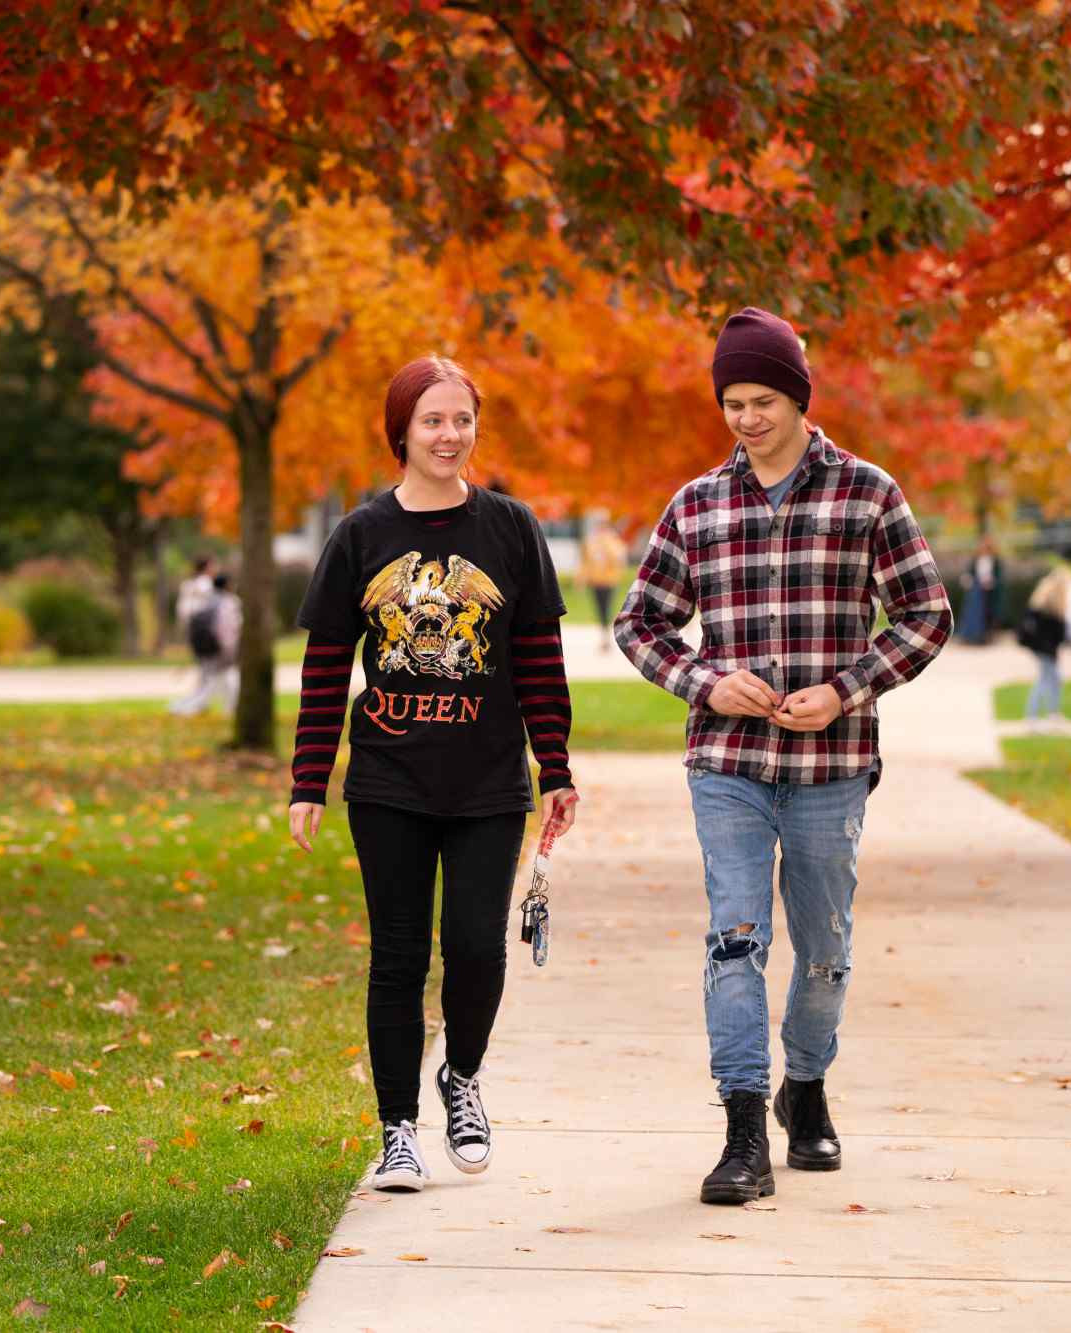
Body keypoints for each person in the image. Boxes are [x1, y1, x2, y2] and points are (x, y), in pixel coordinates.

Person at [614, 307, 952, 1205]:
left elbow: (926, 616)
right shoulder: (697, 504)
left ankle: (804, 1085)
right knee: (736, 939)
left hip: (828, 769)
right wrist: (702, 681)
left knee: (824, 947)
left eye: (763, 399)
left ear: (800, 397)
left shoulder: (868, 494)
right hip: (725, 762)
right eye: (732, 401)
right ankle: (740, 1129)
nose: (747, 417)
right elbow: (638, 622)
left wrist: (846, 689)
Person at [288, 355, 578, 1195]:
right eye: (433, 422)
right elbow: (324, 667)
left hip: (488, 781)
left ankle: (462, 1079)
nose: (450, 435)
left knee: (479, 952)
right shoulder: (360, 536)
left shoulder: (510, 529)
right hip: (388, 783)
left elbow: (536, 661)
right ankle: (397, 1130)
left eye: (462, 420)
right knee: (399, 957)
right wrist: (311, 778)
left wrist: (554, 766)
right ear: (402, 434)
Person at [169, 572, 242, 716]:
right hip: (219, 649)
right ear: (228, 585)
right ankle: (182, 709)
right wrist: (229, 650)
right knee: (216, 683)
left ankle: (228, 710)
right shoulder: (229, 602)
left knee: (212, 683)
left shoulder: (206, 601)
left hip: (204, 648)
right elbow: (227, 628)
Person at [1019, 559, 1071, 730]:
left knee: (1054, 679)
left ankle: (1052, 713)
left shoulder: (1042, 602)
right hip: (1045, 650)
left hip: (1042, 649)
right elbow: (1056, 635)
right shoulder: (1052, 607)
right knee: (1044, 681)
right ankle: (1032, 717)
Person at [579, 511, 631, 652]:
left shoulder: (613, 540)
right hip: (595, 581)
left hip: (609, 581)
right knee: (599, 609)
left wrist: (605, 543)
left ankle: (607, 637)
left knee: (607, 608)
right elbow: (586, 561)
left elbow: (618, 558)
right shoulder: (591, 541)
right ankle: (604, 635)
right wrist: (582, 578)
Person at [957, 537, 998, 643]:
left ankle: (982, 636)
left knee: (984, 614)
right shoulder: (976, 560)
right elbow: (970, 573)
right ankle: (969, 635)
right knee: (972, 612)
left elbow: (997, 577)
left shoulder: (994, 560)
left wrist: (991, 582)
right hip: (975, 590)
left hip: (987, 591)